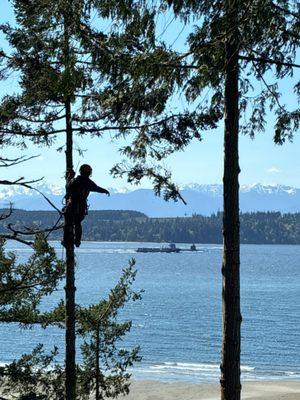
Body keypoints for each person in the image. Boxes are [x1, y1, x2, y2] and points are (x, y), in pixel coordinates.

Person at [63, 164, 110, 247]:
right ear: (89, 173)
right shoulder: (89, 183)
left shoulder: (75, 180)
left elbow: (68, 187)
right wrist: (105, 191)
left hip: (71, 206)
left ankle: (66, 240)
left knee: (68, 223)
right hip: (81, 207)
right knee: (77, 223)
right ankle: (77, 241)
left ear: (80, 171)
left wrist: (69, 177)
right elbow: (97, 188)